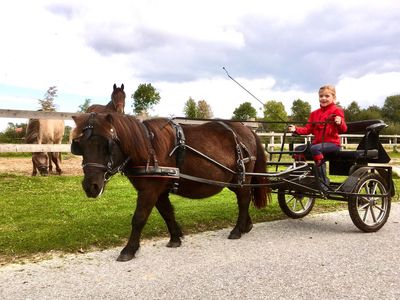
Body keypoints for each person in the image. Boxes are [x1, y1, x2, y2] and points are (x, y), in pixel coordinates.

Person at [288, 85, 347, 187]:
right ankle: (304, 176)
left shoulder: (337, 110)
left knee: (315, 149)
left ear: (334, 98)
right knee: (298, 149)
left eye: (327, 96)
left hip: (333, 145)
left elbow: (343, 129)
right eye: (321, 96)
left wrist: (339, 122)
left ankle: (323, 181)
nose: (323, 98)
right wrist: (295, 129)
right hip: (317, 145)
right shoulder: (314, 113)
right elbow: (308, 129)